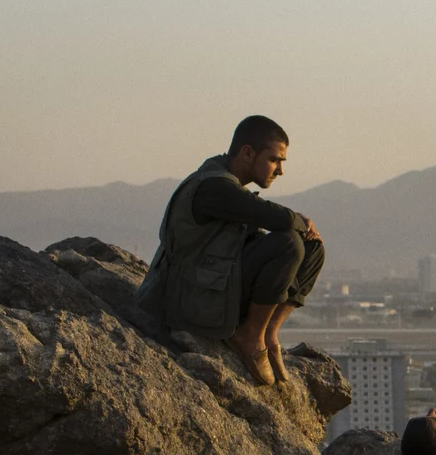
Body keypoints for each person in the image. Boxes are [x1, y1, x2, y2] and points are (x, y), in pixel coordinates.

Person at [138, 114, 323, 385]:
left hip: (213, 285)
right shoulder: (214, 186)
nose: (280, 170)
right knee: (288, 243)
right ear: (248, 153)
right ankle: (250, 336)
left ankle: (268, 332)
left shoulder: (228, 184)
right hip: (188, 300)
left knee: (312, 249)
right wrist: (300, 219)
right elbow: (278, 219)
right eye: (275, 160)